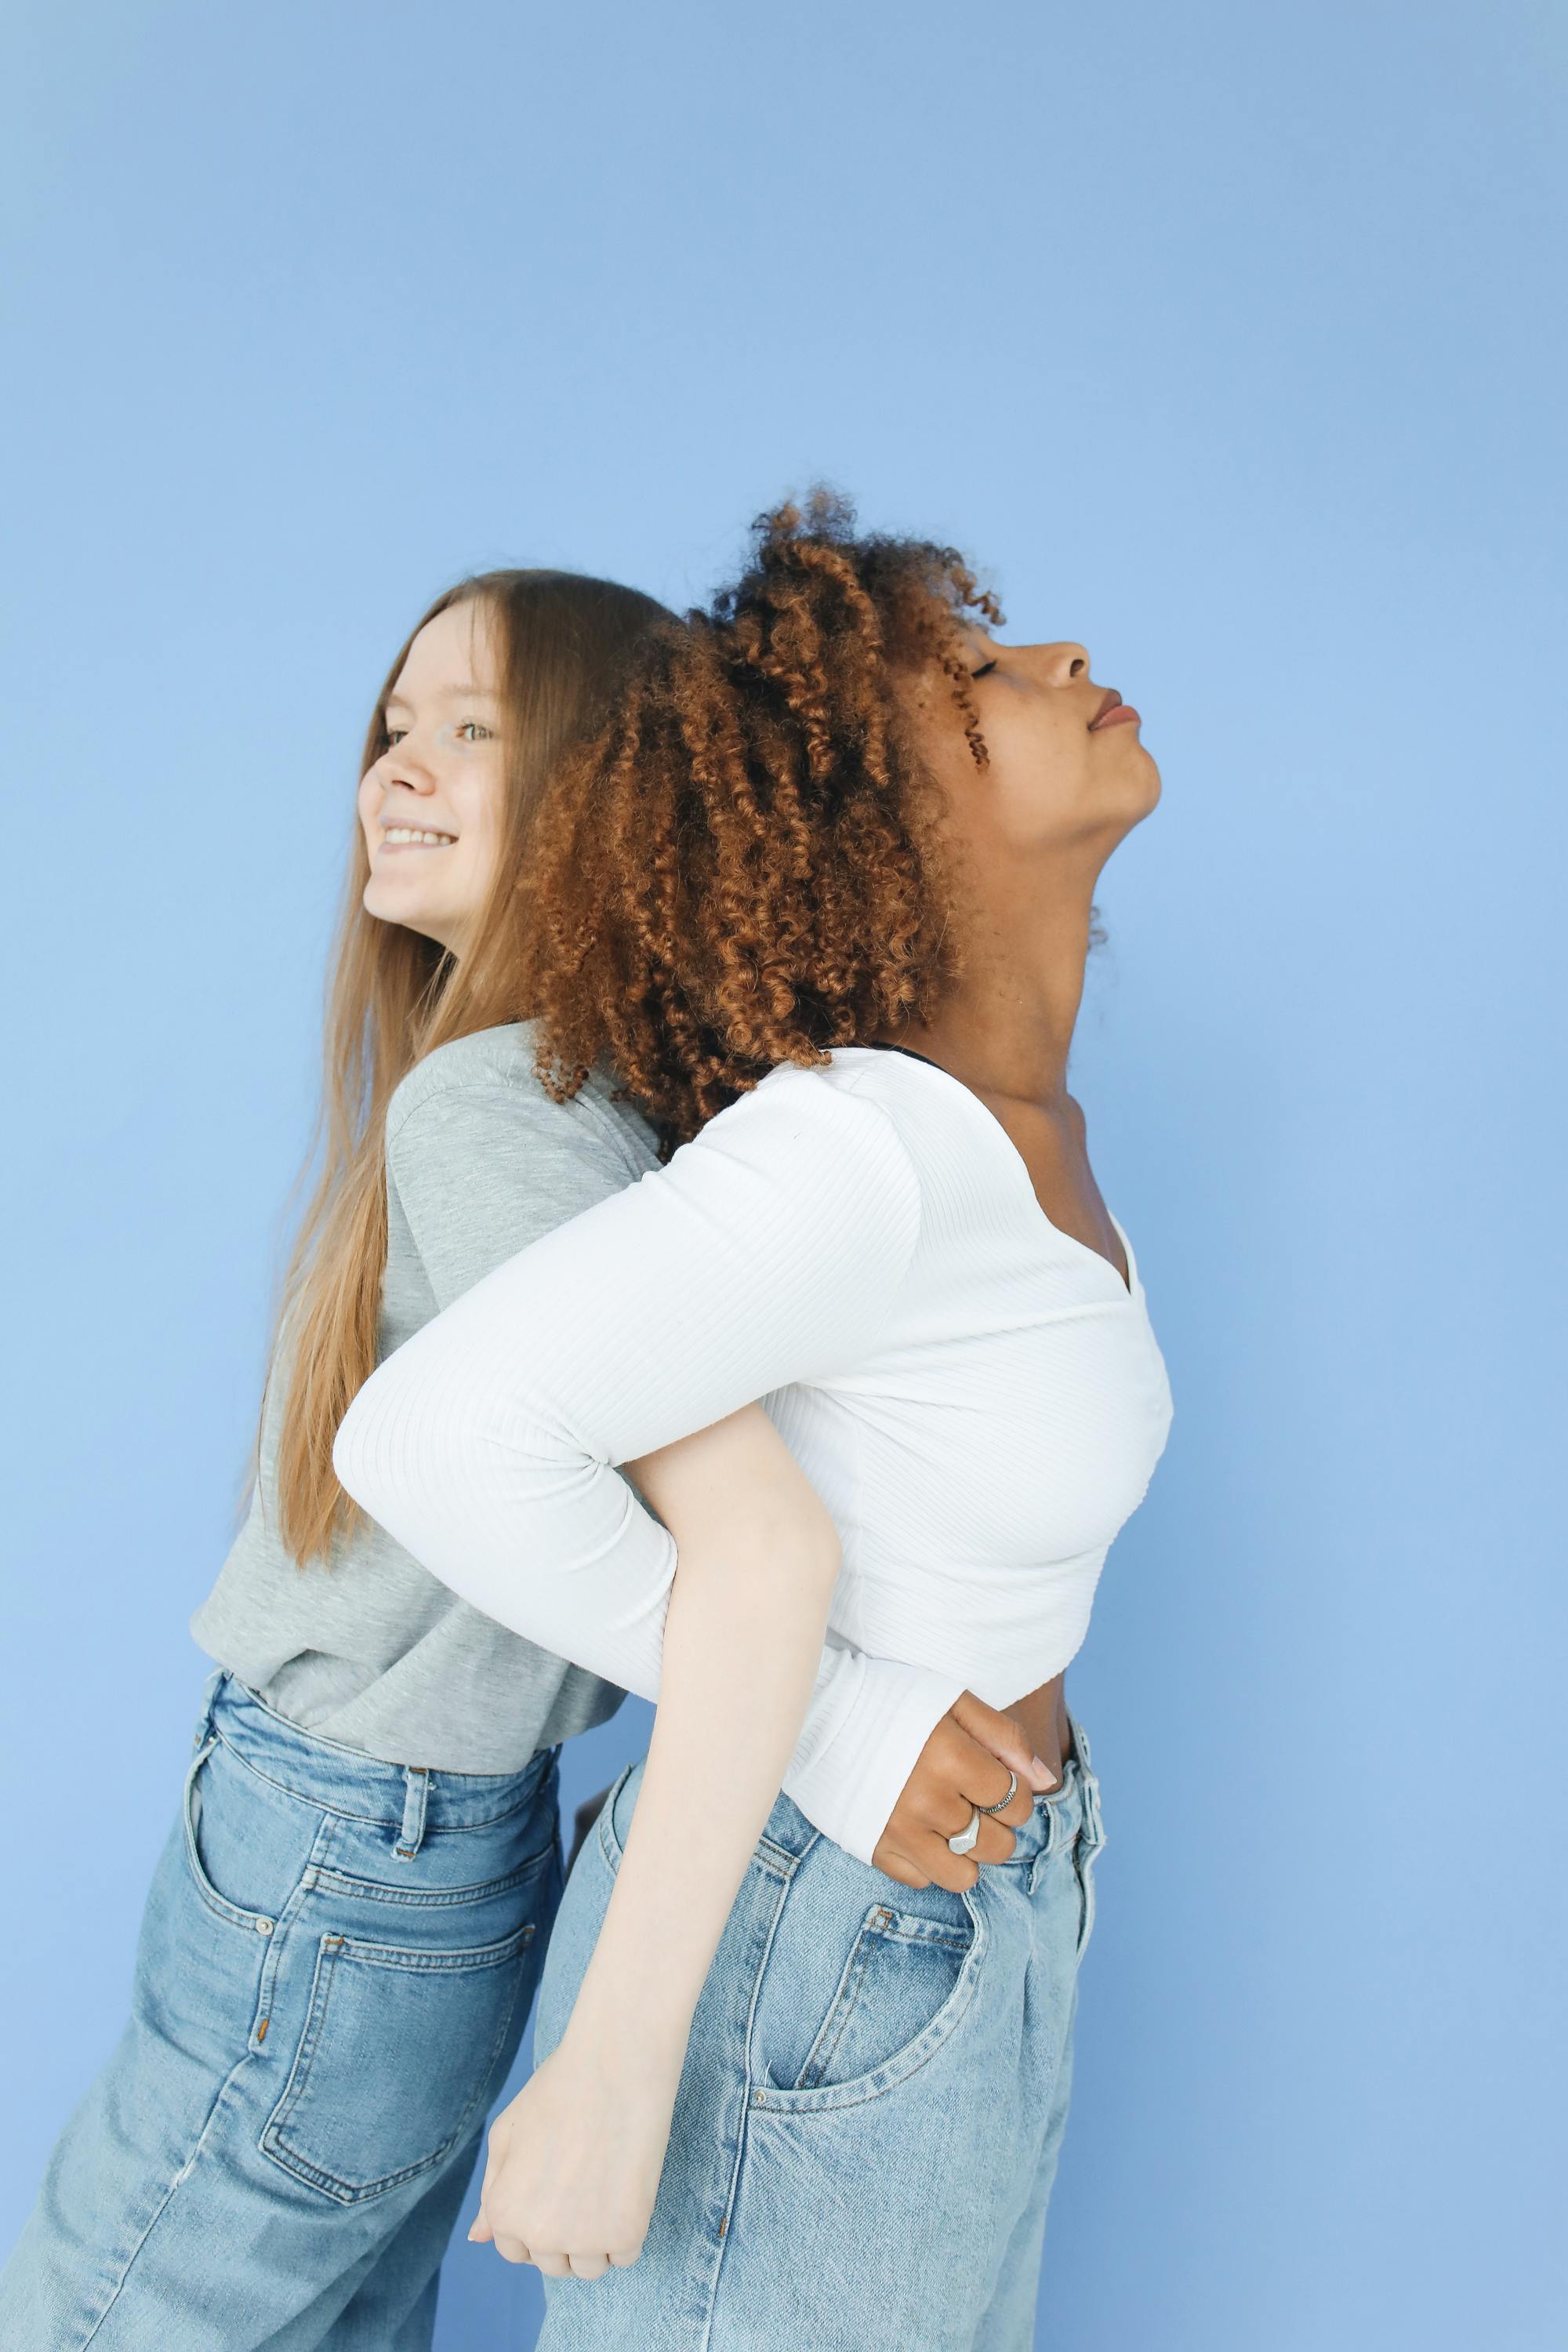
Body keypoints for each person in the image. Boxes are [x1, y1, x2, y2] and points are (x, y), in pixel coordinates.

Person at [2, 554, 1051, 2352]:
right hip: (448, 1858)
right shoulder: (597, 1102)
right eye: (392, 729)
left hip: (336, 1847)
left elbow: (750, 1540)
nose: (393, 772)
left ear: (607, 795)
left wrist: (846, 1724)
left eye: (470, 731)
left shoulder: (494, 1102)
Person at [332, 494, 1174, 2350]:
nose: (1060, 665)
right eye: (976, 681)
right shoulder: (859, 1149)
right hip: (820, 1937)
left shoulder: (1008, 1132)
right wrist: (837, 1720)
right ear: (891, 825)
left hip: (967, 1914)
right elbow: (426, 1441)